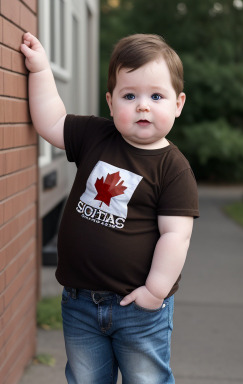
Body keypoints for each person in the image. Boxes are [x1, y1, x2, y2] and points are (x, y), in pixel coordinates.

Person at [21, 32, 199, 384]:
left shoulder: (172, 168)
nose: (142, 105)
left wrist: (154, 292)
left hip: (139, 307)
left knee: (146, 379)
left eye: (156, 96)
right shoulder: (95, 136)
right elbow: (51, 122)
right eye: (129, 95)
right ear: (111, 101)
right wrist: (41, 70)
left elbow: (176, 236)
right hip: (79, 302)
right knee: (86, 379)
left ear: (178, 104)